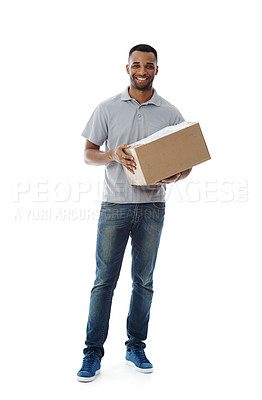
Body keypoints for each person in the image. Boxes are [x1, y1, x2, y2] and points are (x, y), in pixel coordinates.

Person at [77, 44, 192, 382]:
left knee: (143, 281)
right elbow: (88, 154)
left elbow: (185, 161)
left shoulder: (169, 112)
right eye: (136, 64)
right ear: (126, 68)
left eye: (149, 65)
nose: (142, 70)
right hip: (114, 205)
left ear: (157, 69)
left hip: (153, 207)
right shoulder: (107, 108)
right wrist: (112, 155)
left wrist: (177, 174)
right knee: (104, 282)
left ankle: (135, 347)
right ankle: (92, 353)